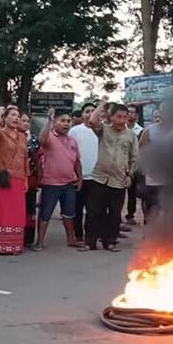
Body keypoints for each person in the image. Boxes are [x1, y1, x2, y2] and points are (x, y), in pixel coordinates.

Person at [82, 100, 138, 252]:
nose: (121, 121)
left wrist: (130, 176)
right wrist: (102, 105)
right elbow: (92, 120)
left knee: (114, 215)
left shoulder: (131, 136)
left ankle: (110, 241)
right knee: (94, 212)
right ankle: (90, 242)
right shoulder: (104, 130)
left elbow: (134, 158)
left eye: (124, 118)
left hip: (119, 181)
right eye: (118, 117)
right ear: (111, 117)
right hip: (99, 178)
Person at [31, 108, 82, 251]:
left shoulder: (72, 141)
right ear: (55, 122)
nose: (66, 124)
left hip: (69, 183)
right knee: (45, 213)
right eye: (62, 121)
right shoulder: (49, 137)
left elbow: (77, 161)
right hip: (50, 184)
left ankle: (71, 239)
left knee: (69, 213)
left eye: (68, 121)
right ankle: (40, 242)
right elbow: (41, 139)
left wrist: (80, 178)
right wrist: (48, 120)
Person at [0, 106, 29, 255]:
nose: (16, 118)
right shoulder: (0, 134)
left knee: (17, 212)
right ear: (5, 118)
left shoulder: (23, 136)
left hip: (19, 178)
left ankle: (15, 245)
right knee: (1, 210)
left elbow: (25, 158)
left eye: (18, 116)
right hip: (3, 176)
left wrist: (26, 179)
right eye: (12, 115)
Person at [68, 103, 98, 243]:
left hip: (97, 177)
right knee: (77, 209)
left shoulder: (101, 130)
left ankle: (91, 236)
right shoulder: (74, 131)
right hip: (78, 176)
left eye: (93, 111)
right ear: (83, 114)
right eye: (87, 111)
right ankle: (78, 235)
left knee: (93, 210)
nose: (90, 114)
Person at [20, 111, 40, 246]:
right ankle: (17, 236)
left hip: (31, 177)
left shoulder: (34, 139)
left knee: (30, 207)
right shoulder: (12, 137)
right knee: (18, 207)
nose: (25, 123)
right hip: (17, 178)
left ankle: (28, 238)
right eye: (23, 120)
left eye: (28, 121)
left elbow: (38, 159)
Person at [124, 104, 144, 226]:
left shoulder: (141, 130)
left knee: (132, 192)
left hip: (134, 165)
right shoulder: (120, 128)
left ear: (137, 115)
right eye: (128, 112)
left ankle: (130, 215)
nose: (130, 115)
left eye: (133, 112)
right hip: (120, 164)